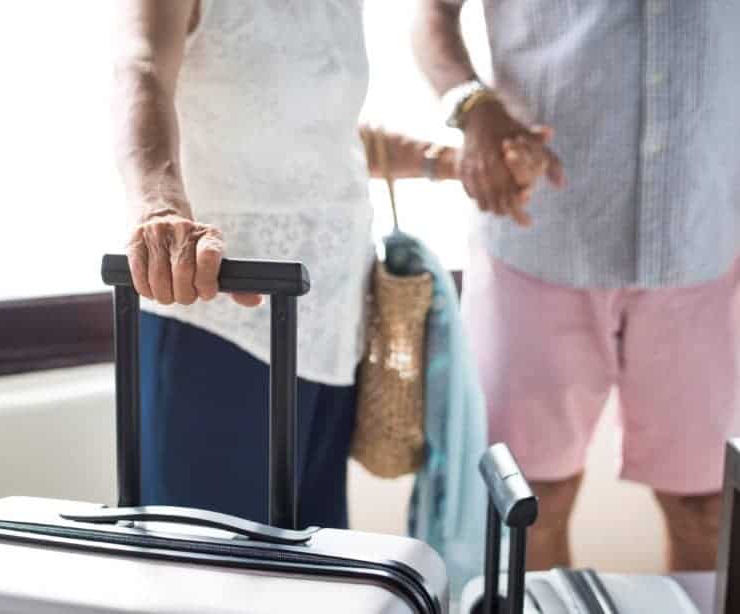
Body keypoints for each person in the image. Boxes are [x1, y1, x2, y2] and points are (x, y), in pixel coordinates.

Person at [114, 0, 547, 529]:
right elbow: (140, 67)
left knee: (316, 564)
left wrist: (453, 163)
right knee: (209, 562)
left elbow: (317, 133)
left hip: (331, 333)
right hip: (218, 325)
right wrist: (159, 205)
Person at [414, 0, 740, 570]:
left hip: (705, 242)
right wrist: (473, 106)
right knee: (530, 503)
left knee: (707, 507)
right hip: (539, 240)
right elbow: (431, 12)